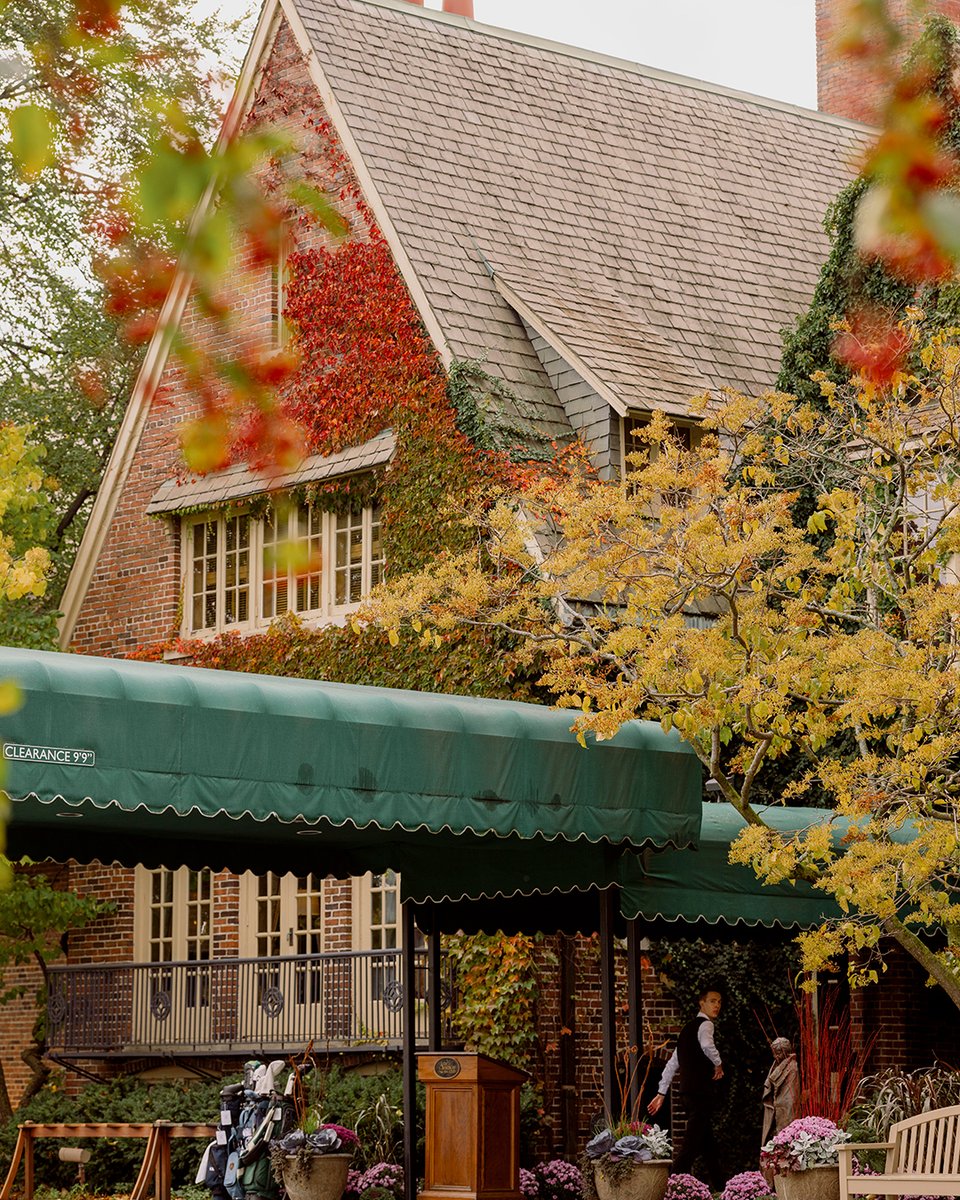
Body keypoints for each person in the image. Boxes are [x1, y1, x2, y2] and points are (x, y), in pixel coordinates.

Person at [647, 986, 724, 1189]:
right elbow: (708, 1046)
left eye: (719, 1002)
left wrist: (661, 1093)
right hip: (701, 1094)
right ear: (702, 1003)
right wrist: (718, 1063)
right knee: (690, 1147)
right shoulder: (706, 1025)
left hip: (687, 1095)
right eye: (713, 1001)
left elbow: (673, 1063)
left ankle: (720, 1187)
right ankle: (669, 1187)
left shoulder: (685, 1031)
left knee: (708, 1146)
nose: (717, 1005)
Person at [761, 1036, 799, 1147]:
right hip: (775, 1106)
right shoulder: (777, 1064)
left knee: (785, 1136)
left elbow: (791, 1096)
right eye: (774, 1053)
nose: (775, 1056)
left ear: (785, 1052)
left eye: (778, 1053)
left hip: (785, 1108)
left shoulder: (792, 1067)